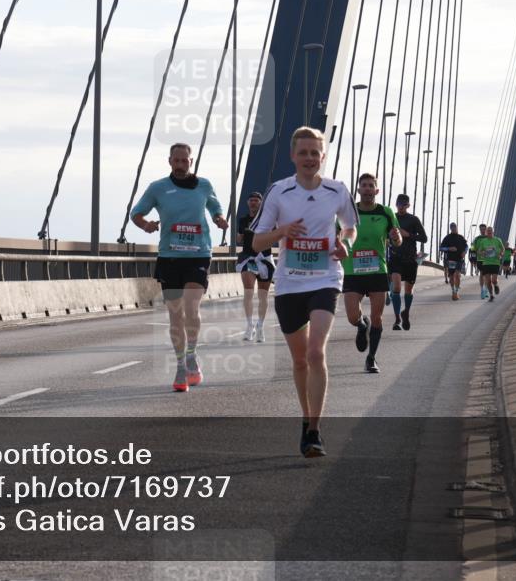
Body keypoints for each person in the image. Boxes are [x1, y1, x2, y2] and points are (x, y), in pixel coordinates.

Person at [252, 126, 356, 458]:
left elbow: (350, 227)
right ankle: (305, 417)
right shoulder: (279, 191)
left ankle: (314, 430)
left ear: (323, 157)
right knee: (299, 361)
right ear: (293, 156)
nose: (309, 158)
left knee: (315, 353)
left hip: (325, 279)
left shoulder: (337, 190)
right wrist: (282, 231)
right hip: (289, 283)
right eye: (303, 152)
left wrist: (345, 244)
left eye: (315, 153)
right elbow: (257, 242)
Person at [132, 143, 227, 393]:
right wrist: (145, 225)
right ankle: (181, 366)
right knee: (175, 315)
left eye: (185, 161)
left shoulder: (204, 185)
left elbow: (215, 207)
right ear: (170, 161)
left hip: (198, 255)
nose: (181, 165)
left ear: (191, 162)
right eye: (177, 161)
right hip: (170, 257)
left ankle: (192, 353)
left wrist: (218, 218)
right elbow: (136, 213)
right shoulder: (158, 188)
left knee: (191, 308)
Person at [341, 173, 402, 374]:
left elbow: (397, 241)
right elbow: (335, 235)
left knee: (377, 317)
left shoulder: (386, 212)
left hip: (377, 270)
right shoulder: (348, 212)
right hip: (352, 270)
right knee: (352, 316)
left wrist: (396, 237)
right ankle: (361, 325)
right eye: (364, 185)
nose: (367, 189)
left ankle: (371, 358)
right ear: (358, 190)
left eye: (370, 186)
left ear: (377, 190)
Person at [236, 191, 275, 342]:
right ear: (248, 203)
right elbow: (239, 238)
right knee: (248, 292)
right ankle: (249, 325)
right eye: (251, 200)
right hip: (248, 258)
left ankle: (260, 326)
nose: (253, 203)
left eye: (256, 200)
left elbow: (275, 236)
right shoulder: (243, 220)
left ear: (261, 203)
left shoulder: (268, 219)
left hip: (264, 258)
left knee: (263, 295)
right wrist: (240, 236)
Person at [386, 193, 427, 331]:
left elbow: (424, 238)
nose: (401, 207)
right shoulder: (392, 219)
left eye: (404, 205)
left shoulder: (413, 220)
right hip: (395, 257)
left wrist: (408, 234)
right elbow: (384, 234)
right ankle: (397, 319)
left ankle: (406, 312)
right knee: (397, 288)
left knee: (408, 290)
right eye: (399, 204)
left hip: (410, 258)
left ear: (408, 205)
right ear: (396, 204)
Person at [473, 226, 505, 301]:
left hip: (495, 262)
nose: (489, 232)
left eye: (490, 231)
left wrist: (501, 254)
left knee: (493, 280)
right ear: (486, 232)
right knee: (488, 281)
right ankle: (491, 295)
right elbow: (479, 251)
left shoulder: (497, 240)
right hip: (486, 263)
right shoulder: (483, 241)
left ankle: (496, 285)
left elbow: (503, 249)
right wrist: (482, 253)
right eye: (488, 231)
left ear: (493, 232)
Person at [439, 222, 468, 300]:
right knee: (451, 277)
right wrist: (449, 248)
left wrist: (464, 252)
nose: (453, 228)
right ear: (450, 228)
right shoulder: (447, 238)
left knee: (457, 275)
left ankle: (456, 292)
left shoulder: (461, 237)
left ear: (456, 227)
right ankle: (453, 290)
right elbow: (441, 248)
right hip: (450, 260)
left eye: (454, 227)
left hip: (459, 259)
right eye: (452, 227)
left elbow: (466, 246)